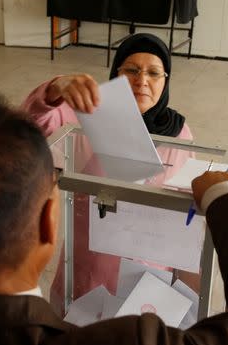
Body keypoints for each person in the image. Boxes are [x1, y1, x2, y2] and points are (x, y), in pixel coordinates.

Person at [0, 92, 228, 345]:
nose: (141, 82)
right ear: (49, 223)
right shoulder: (125, 338)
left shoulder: (180, 134)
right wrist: (226, 197)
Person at [22, 33, 195, 309]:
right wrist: (54, 90)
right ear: (116, 73)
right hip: (88, 262)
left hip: (148, 270)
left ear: (166, 80)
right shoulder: (87, 115)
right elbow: (30, 127)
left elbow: (187, 217)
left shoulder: (178, 133)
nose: (142, 81)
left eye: (154, 72)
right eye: (132, 70)